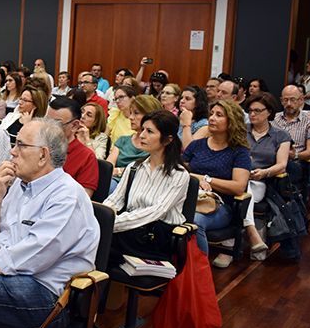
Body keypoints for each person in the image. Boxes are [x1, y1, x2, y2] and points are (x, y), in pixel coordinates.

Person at [0, 119, 100, 328]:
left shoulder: (67, 196)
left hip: (41, 292)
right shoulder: (19, 185)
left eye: (21, 145)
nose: (12, 152)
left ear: (43, 155)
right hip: (4, 276)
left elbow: (33, 256)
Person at [103, 110, 190, 261]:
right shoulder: (134, 167)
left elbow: (156, 212)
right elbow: (115, 200)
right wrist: (102, 216)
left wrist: (112, 223)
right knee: (92, 240)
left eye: (149, 131)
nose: (142, 135)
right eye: (143, 129)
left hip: (154, 237)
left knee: (98, 245)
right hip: (129, 230)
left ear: (168, 140)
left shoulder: (179, 174)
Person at [185, 99, 251, 268]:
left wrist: (206, 179)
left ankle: (199, 271)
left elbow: (238, 186)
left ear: (231, 122)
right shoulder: (197, 145)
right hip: (189, 198)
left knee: (194, 221)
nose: (212, 118)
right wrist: (195, 178)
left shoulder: (239, 151)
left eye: (219, 115)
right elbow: (179, 170)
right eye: (212, 114)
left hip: (220, 206)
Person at [244, 93, 289, 260]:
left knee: (244, 193)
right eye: (250, 111)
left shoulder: (280, 135)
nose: (252, 114)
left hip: (260, 181)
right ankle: (250, 234)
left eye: (257, 110)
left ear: (269, 112)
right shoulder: (241, 130)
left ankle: (230, 242)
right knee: (240, 189)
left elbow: (282, 164)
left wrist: (264, 172)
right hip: (239, 176)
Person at [107, 95, 162, 193]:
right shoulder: (123, 140)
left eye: (136, 113)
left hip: (141, 186)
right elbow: (108, 167)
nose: (130, 117)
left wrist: (118, 171)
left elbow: (150, 171)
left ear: (149, 116)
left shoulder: (156, 144)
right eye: (131, 113)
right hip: (115, 182)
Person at [47, 97, 100, 196]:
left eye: (56, 123)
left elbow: (82, 199)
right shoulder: (38, 145)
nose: (48, 128)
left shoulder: (86, 157)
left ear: (74, 126)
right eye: (47, 121)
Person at [271, 85, 310, 194]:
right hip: (271, 158)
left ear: (301, 100)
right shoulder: (274, 118)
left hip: (295, 162)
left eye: (293, 100)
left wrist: (295, 155)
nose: (288, 104)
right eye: (285, 100)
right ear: (281, 101)